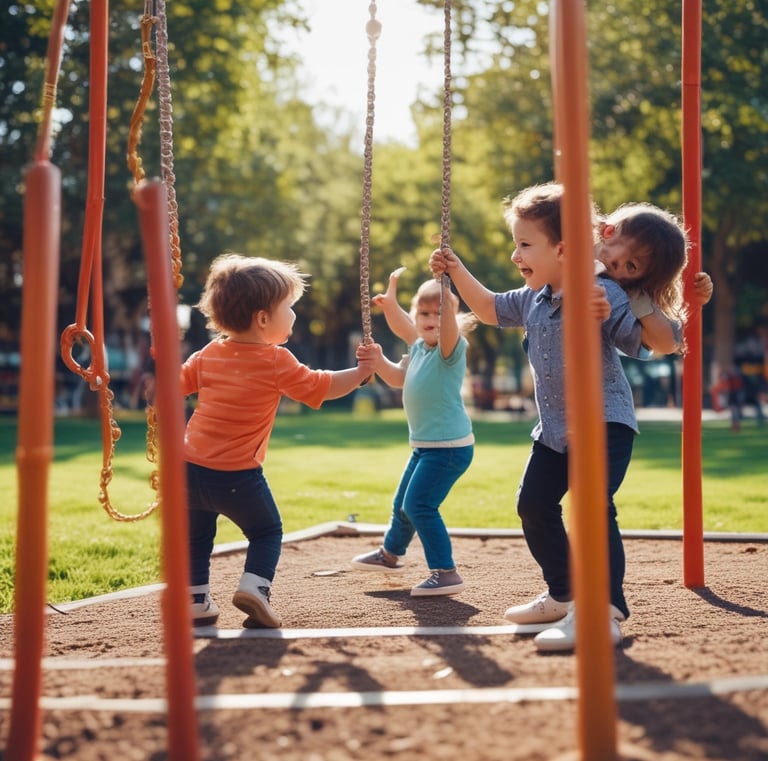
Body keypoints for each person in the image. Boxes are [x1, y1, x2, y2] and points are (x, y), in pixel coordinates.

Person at [429, 182, 706, 651]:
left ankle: (604, 608)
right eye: (515, 244)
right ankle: (563, 593)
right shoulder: (535, 297)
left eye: (524, 245)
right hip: (555, 431)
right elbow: (490, 309)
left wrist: (628, 307)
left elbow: (660, 343)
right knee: (533, 505)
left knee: (593, 507)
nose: (517, 255)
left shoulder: (604, 292)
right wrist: (456, 270)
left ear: (562, 248)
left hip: (604, 423)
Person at [181, 253, 377, 628]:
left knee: (197, 538)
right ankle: (255, 587)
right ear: (263, 319)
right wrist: (361, 373)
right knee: (266, 531)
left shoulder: (207, 355)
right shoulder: (275, 360)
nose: (295, 315)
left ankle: (195, 600)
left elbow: (174, 385)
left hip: (190, 471)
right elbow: (321, 385)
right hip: (238, 476)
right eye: (290, 307)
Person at [350, 275, 478, 596]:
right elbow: (397, 378)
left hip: (448, 448)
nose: (430, 320)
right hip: (425, 446)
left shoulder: (451, 349)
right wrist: (380, 354)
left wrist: (445, 295)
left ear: (452, 317)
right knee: (402, 504)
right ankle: (390, 555)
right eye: (423, 314)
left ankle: (446, 571)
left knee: (419, 505)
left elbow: (443, 326)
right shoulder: (419, 347)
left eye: (439, 313)